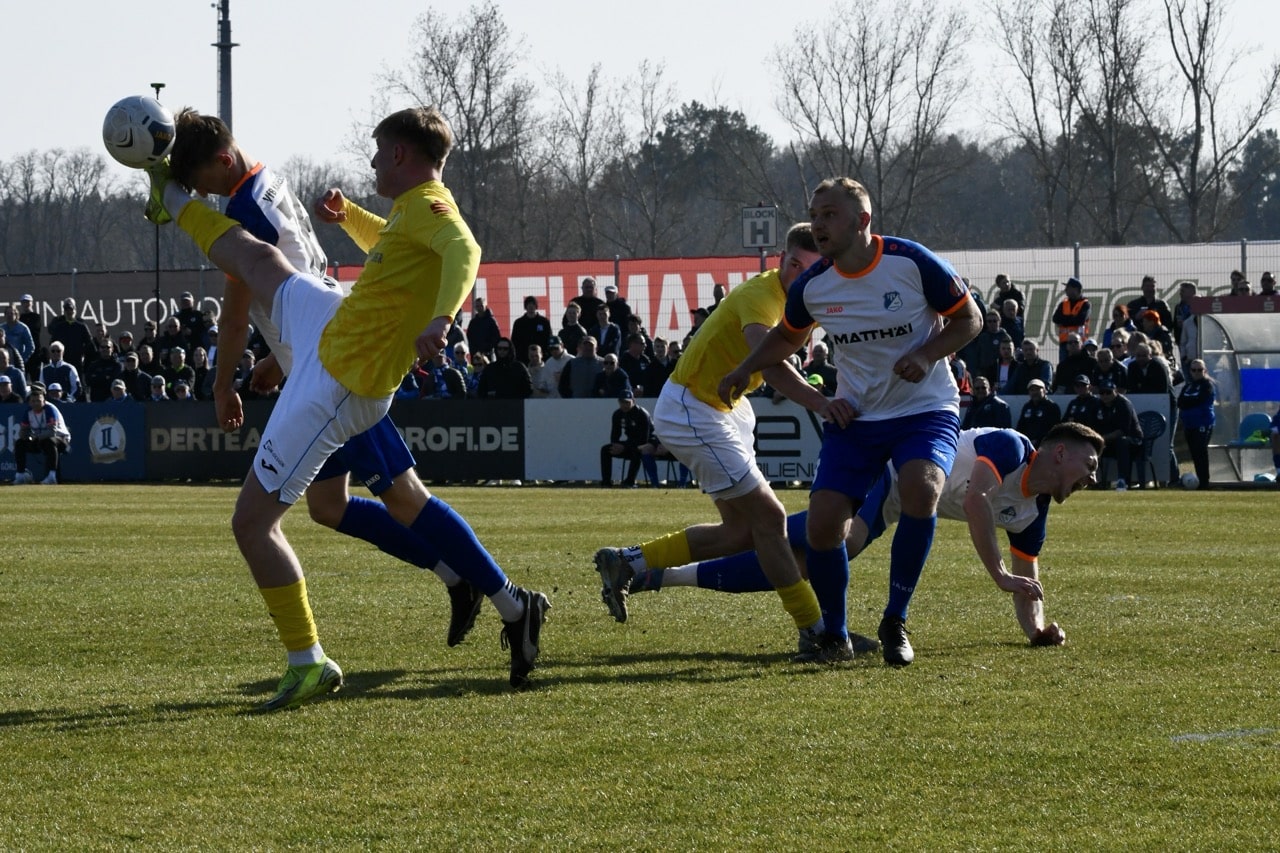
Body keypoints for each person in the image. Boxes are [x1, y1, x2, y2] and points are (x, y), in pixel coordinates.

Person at [146, 105, 549, 706]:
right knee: (259, 262)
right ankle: (502, 599)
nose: (368, 158)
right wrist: (350, 219)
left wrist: (441, 318)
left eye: (376, 148)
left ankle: (311, 659)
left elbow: (465, 249)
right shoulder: (411, 207)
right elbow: (392, 247)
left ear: (399, 155)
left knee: (258, 523)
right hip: (326, 325)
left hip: (340, 377)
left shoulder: (433, 207)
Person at [719, 179, 984, 663]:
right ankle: (836, 637)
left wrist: (926, 355)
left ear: (862, 221)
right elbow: (786, 338)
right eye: (814, 215)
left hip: (924, 409)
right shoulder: (814, 285)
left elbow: (971, 320)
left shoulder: (911, 261)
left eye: (829, 215)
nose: (818, 224)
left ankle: (895, 621)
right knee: (822, 527)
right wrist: (744, 367)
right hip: (858, 417)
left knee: (921, 490)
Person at [626, 423, 1103, 655]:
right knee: (821, 544)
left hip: (900, 501)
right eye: (1090, 467)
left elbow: (1029, 583)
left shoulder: (1032, 511)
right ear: (1060, 453)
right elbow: (978, 499)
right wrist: (998, 574)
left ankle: (655, 575)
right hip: (890, 473)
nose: (1092, 479)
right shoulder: (1013, 447)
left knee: (799, 557)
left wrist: (1037, 629)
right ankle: (644, 563)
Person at [596, 222, 841, 662]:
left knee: (743, 531)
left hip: (725, 408)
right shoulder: (762, 297)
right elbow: (770, 357)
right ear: (782, 260)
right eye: (795, 265)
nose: (801, 274)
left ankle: (629, 562)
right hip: (694, 406)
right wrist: (823, 405)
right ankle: (816, 630)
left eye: (812, 268)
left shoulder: (808, 298)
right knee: (771, 517)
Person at [12, 383, 70, 485]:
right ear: (29, 402)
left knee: (49, 441)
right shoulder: (28, 412)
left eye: (38, 401)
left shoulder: (50, 409)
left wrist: (36, 437)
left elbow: (53, 431)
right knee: (20, 443)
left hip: (60, 438)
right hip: (39, 439)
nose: (35, 403)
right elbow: (23, 430)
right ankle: (20, 475)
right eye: (33, 401)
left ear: (44, 401)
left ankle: (52, 476)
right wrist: (24, 435)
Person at [1095, 380, 1143, 490]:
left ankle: (1122, 480)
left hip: (1133, 442)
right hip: (1108, 441)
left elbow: (1122, 431)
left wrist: (1102, 438)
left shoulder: (1123, 404)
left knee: (1122, 441)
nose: (1105, 395)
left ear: (1115, 391)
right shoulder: (1098, 404)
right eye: (1102, 393)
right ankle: (1094, 480)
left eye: (1108, 392)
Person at [599, 388, 652, 488]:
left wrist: (625, 447)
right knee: (605, 450)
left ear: (633, 401)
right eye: (622, 402)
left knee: (637, 450)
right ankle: (606, 482)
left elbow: (644, 439)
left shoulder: (642, 414)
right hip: (630, 443)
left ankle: (630, 481)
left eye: (627, 402)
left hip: (646, 444)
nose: (625, 405)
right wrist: (616, 445)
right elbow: (615, 434)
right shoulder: (617, 414)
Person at [1177, 358, 1215, 487]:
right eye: (1194, 370)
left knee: (1201, 452)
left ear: (1205, 371)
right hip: (1189, 424)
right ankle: (1200, 480)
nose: (1197, 372)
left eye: (1200, 370)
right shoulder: (1188, 386)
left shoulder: (1207, 385)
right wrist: (1189, 403)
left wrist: (1189, 403)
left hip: (1202, 423)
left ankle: (1204, 482)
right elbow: (1180, 402)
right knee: (1194, 453)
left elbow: (1200, 400)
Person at [47, 298, 95, 375]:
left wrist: (82, 353)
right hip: (62, 360)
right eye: (67, 310)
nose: (69, 312)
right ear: (64, 311)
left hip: (77, 361)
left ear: (74, 310)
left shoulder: (82, 326)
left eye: (71, 309)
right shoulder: (59, 326)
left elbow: (89, 343)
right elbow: (52, 343)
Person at [1053, 277, 1091, 362]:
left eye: (1068, 287)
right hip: (1064, 343)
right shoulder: (1063, 303)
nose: (1065, 289)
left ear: (1075, 289)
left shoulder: (1085, 304)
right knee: (1064, 368)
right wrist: (1073, 318)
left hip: (1079, 343)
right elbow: (1055, 319)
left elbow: (1080, 320)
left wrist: (1064, 321)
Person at [1016, 379, 1062, 446]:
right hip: (1028, 444)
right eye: (1032, 390)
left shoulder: (1052, 407)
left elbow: (1055, 429)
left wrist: (1039, 441)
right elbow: (1021, 426)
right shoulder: (1027, 407)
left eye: (1037, 389)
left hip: (1046, 445)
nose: (1034, 392)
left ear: (1044, 390)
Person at [510, 296, 551, 365]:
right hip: (523, 358)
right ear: (525, 306)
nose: (531, 306)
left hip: (541, 358)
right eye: (528, 304)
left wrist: (546, 355)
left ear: (536, 306)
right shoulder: (519, 323)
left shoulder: (544, 322)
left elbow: (548, 338)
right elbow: (514, 341)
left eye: (533, 304)